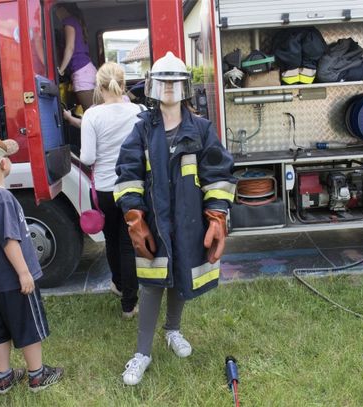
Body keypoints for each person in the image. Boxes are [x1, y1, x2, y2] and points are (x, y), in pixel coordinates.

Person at [113, 52, 237, 385]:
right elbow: (127, 174)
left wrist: (217, 216)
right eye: (163, 81)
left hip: (189, 222)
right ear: (153, 86)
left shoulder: (201, 128)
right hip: (154, 222)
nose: (169, 88)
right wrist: (135, 218)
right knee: (152, 283)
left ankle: (173, 330)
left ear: (184, 87)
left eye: (175, 82)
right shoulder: (141, 130)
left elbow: (218, 173)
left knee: (182, 275)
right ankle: (142, 352)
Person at [0, 134, 64, 394]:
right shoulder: (3, 199)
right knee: (28, 327)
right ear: (2, 165)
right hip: (13, 281)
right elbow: (9, 240)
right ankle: (37, 375)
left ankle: (4, 377)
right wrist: (24, 273)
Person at [71, 62, 142, 318]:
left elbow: (88, 158)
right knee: (128, 244)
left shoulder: (91, 115)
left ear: (98, 87)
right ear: (123, 85)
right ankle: (129, 304)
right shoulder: (139, 111)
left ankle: (118, 284)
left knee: (111, 239)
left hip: (104, 187)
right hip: (132, 185)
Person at [55, 4, 96, 111]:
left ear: (63, 9)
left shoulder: (68, 21)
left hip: (81, 72)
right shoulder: (76, 21)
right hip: (87, 69)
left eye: (57, 10)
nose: (56, 13)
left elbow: (70, 47)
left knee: (90, 114)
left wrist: (61, 70)